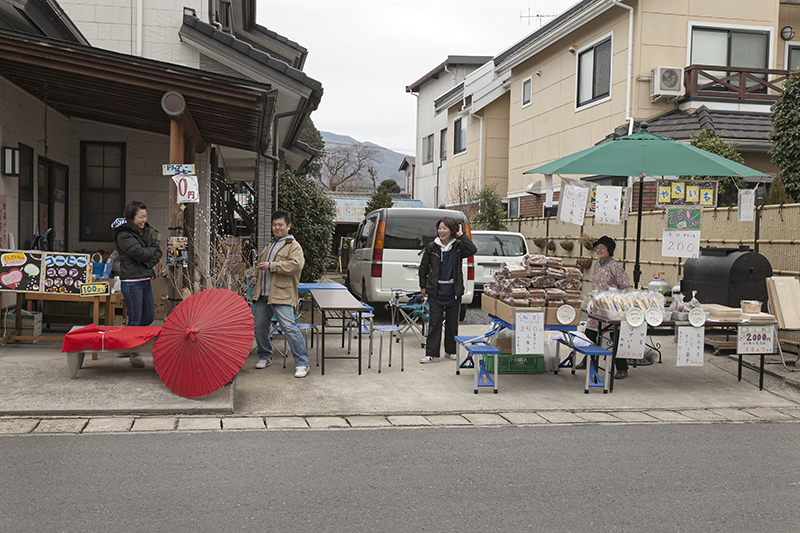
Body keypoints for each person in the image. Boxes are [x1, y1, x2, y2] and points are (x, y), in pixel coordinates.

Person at [250, 210, 310, 378]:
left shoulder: (293, 245)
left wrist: (272, 266)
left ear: (288, 226)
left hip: (281, 294)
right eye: (274, 225)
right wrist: (255, 275)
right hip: (263, 294)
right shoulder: (270, 244)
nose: (277, 227)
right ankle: (265, 356)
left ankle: (302, 363)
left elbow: (296, 265)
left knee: (289, 328)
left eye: (280, 225)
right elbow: (260, 264)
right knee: (260, 327)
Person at [418, 216, 477, 363]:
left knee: (452, 324)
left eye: (445, 228)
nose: (441, 231)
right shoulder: (432, 247)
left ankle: (450, 351)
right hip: (436, 290)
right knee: (434, 323)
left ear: (452, 230)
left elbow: (472, 249)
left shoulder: (458, 246)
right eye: (439, 228)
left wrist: (461, 235)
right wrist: (423, 286)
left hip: (453, 290)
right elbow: (423, 267)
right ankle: (431, 353)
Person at [112, 200, 163, 368]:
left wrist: (147, 262)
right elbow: (139, 253)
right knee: (135, 318)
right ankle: (134, 353)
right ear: (131, 217)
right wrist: (147, 256)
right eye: (141, 217)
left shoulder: (145, 230)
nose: (144, 220)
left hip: (145, 279)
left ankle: (127, 343)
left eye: (145, 216)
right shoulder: (124, 234)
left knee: (148, 316)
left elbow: (158, 251)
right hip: (131, 282)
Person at [582, 235, 632, 379]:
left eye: (602, 248)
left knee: (615, 337)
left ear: (609, 250)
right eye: (597, 248)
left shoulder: (615, 266)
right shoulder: (597, 265)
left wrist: (617, 299)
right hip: (597, 307)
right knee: (590, 334)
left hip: (611, 308)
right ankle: (588, 361)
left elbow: (626, 287)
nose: (598, 250)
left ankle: (622, 368)